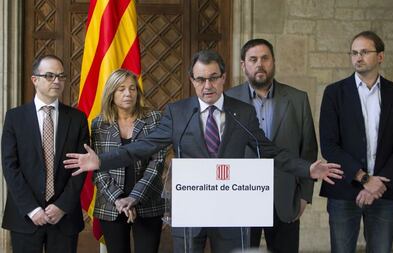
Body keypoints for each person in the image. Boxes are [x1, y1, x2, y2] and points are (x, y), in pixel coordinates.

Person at [64, 50, 342, 253]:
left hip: (232, 210)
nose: (207, 86)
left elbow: (268, 149)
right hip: (191, 211)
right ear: (191, 80)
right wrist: (101, 160)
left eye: (213, 78)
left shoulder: (242, 112)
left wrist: (306, 168)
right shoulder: (177, 112)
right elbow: (143, 147)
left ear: (223, 78)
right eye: (200, 79)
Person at [319, 31, 393, 253]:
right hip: (344, 189)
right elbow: (329, 145)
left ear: (380, 56)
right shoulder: (334, 93)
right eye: (354, 53)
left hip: (384, 190)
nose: (358, 57)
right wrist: (364, 179)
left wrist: (378, 184)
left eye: (364, 52)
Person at [226, 38, 317, 253]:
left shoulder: (297, 99)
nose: (260, 64)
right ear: (243, 65)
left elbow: (309, 150)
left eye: (265, 58)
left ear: (273, 62)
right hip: (242, 197)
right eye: (253, 59)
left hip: (285, 197)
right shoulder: (228, 100)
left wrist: (305, 196)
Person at [1, 55, 89, 253]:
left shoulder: (77, 119)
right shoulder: (15, 117)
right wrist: (32, 209)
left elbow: (81, 167)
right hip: (25, 217)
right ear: (35, 80)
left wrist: (62, 206)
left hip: (64, 218)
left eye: (61, 76)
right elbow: (10, 166)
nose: (57, 81)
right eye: (49, 76)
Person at [91, 69, 167, 253]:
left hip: (148, 201)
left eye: (132, 88)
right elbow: (98, 167)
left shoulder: (154, 119)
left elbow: (157, 163)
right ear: (111, 93)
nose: (128, 93)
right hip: (111, 205)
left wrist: (134, 198)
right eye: (121, 89)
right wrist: (118, 199)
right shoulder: (99, 124)